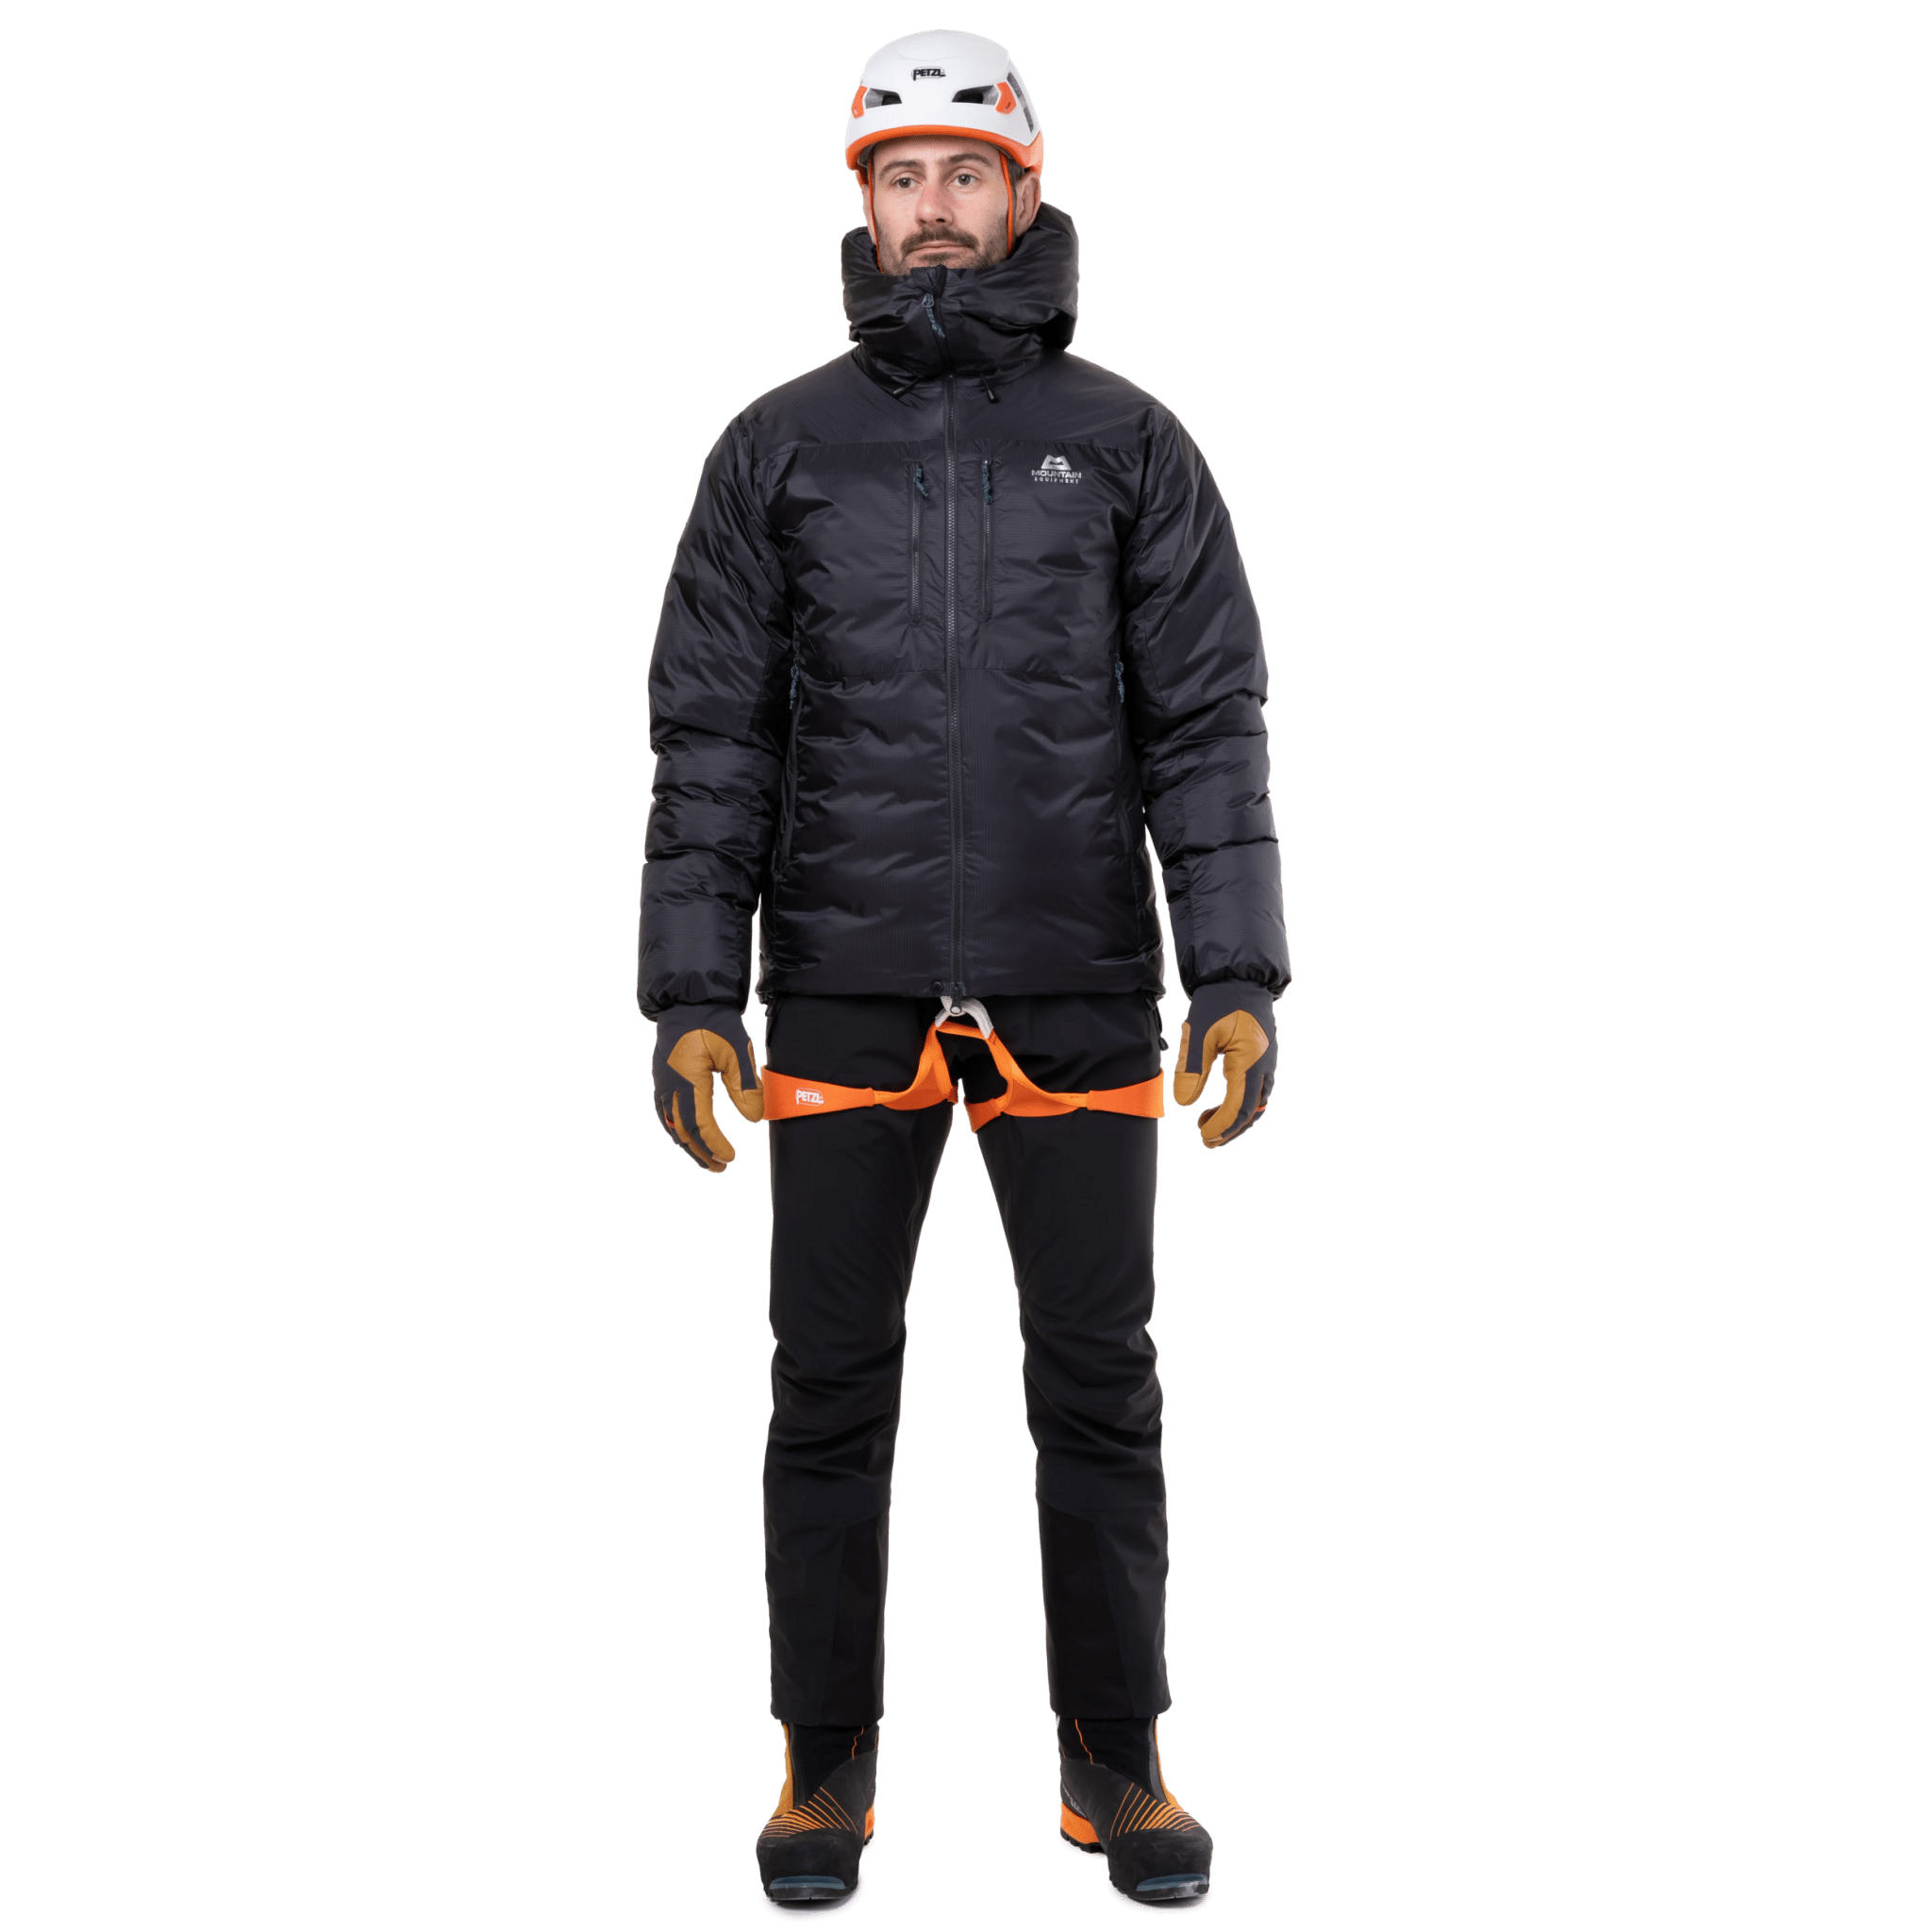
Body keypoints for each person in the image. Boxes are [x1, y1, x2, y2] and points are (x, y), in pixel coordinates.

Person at [638, 28, 1290, 1921]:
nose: (934, 208)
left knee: (1102, 1386)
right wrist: (692, 996)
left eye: (966, 173)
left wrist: (1234, 970)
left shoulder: (1132, 442)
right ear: (866, 199)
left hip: (1077, 982)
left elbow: (1207, 726)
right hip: (840, 986)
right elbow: (711, 741)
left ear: (1024, 191)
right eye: (900, 175)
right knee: (825, 1389)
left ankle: (1117, 1759)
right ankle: (821, 1761)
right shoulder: (775, 448)